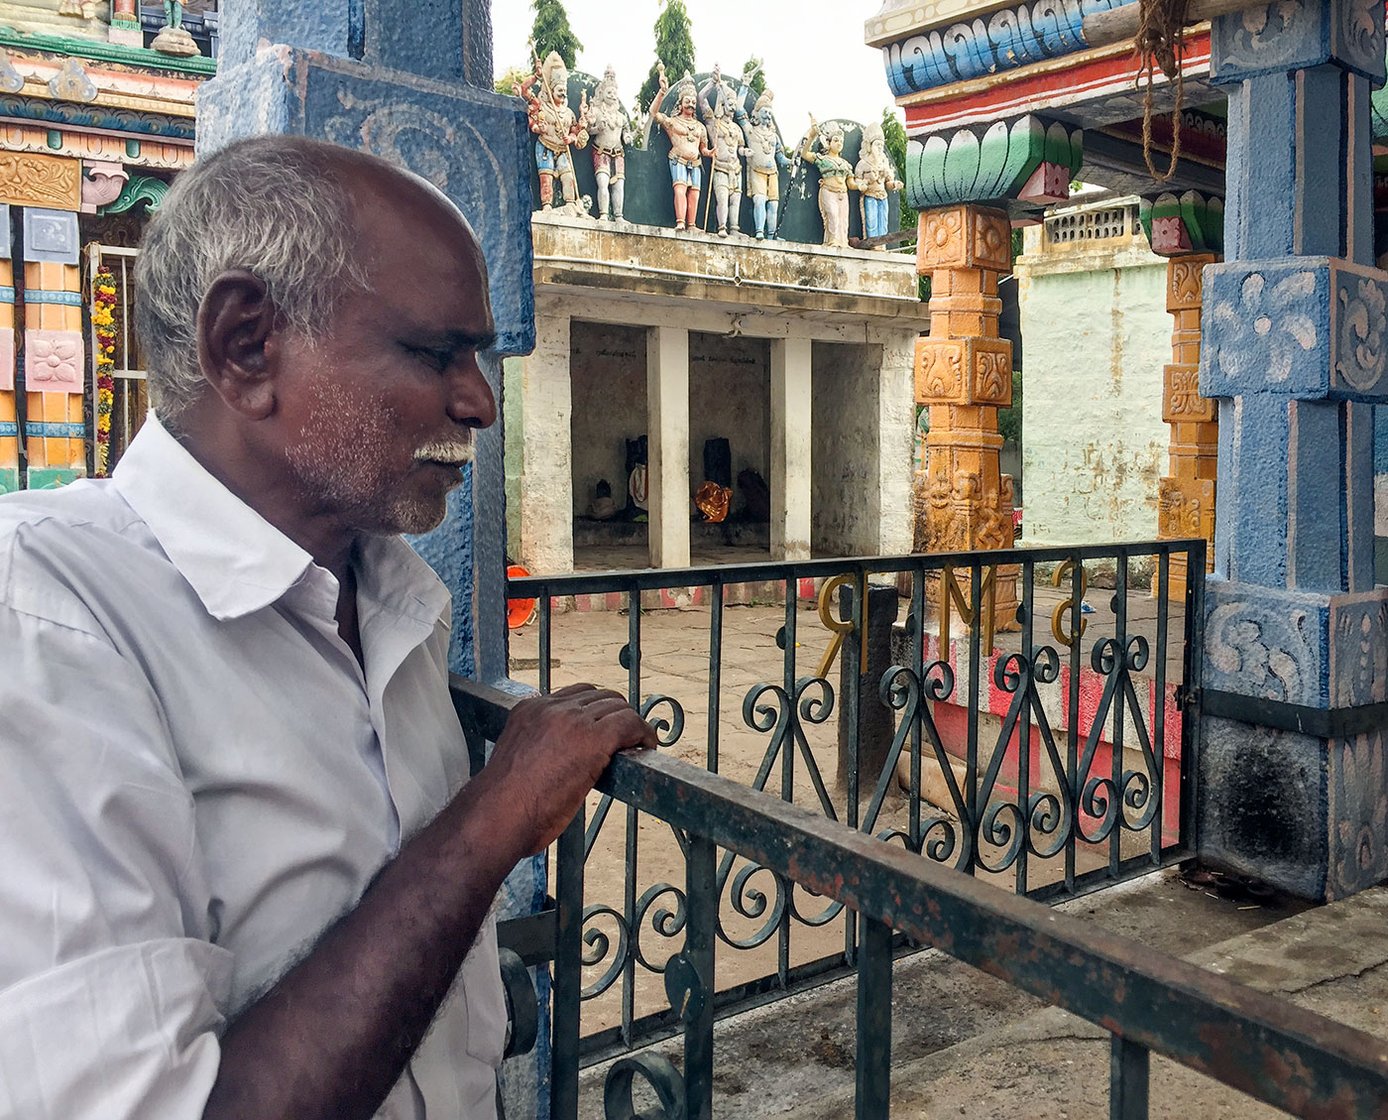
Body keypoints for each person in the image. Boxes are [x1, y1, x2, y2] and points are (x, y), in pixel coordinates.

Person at [0, 135, 656, 1120]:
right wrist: (493, 815)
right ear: (247, 346)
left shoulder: (388, 594)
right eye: (435, 352)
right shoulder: (49, 617)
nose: (477, 400)